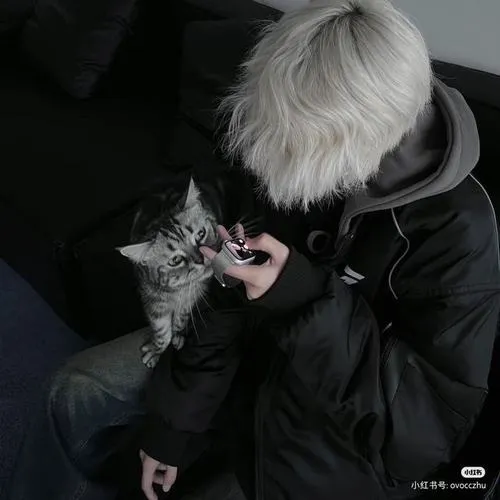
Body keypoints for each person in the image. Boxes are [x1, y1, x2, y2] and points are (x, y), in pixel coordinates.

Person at [8, 0, 500, 499]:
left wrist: (302, 297)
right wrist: (175, 426)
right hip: (243, 360)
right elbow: (222, 297)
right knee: (72, 391)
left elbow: (418, 438)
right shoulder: (285, 134)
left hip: (329, 433)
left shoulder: (458, 231)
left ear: (354, 139)